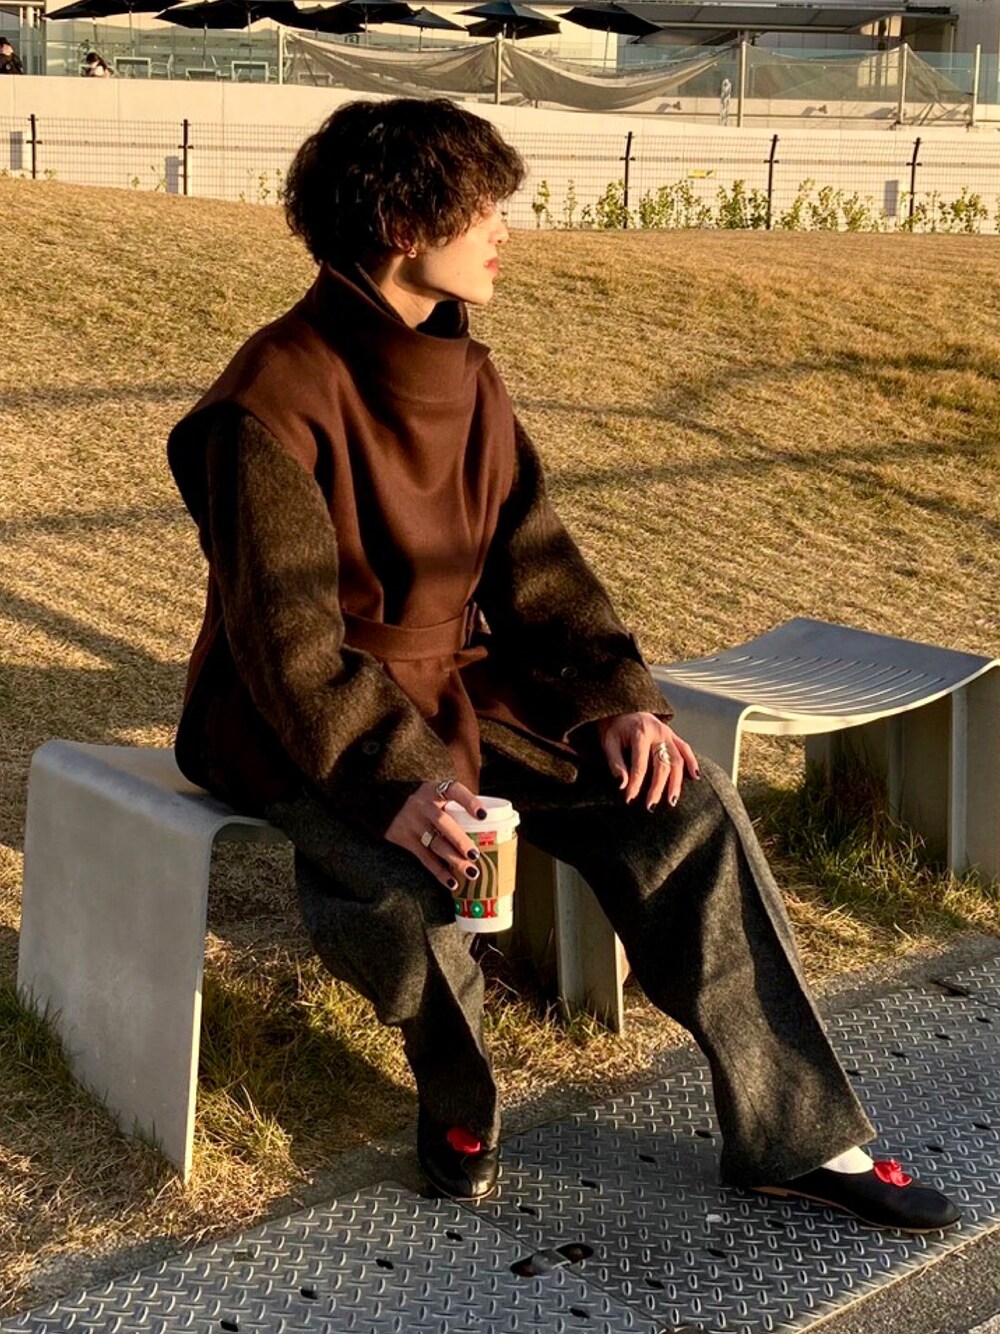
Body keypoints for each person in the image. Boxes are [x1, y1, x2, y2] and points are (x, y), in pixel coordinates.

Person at [167, 97, 960, 1233]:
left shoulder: (466, 374)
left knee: (682, 806)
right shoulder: (267, 403)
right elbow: (290, 645)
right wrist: (403, 788)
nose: (504, 231)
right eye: (482, 210)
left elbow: (536, 562)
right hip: (292, 716)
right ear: (402, 224)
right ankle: (458, 1097)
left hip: (451, 684)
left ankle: (797, 1132)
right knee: (412, 878)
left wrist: (614, 702)